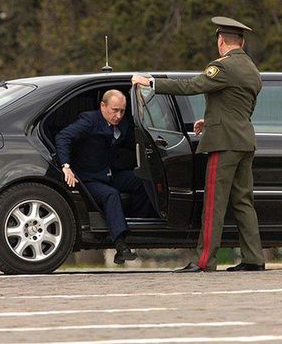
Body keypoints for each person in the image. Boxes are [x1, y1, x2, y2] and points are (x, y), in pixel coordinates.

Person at [131, 16, 265, 272]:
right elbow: (242, 107)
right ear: (243, 42)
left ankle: (204, 260)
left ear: (221, 40)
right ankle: (254, 258)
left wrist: (151, 82)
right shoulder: (251, 70)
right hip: (244, 141)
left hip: (223, 143)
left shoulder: (222, 67)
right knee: (243, 202)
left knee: (214, 203)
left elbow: (191, 86)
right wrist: (211, 118)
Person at [55, 90, 156, 264]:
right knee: (111, 195)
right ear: (103, 106)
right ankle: (121, 245)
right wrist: (66, 166)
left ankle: (135, 225)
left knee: (143, 179)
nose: (118, 116)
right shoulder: (89, 121)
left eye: (122, 111)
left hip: (110, 174)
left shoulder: (123, 124)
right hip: (89, 179)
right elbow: (63, 137)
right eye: (114, 110)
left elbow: (136, 142)